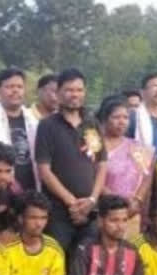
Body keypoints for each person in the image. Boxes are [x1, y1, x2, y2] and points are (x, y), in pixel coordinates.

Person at [36, 68, 106, 251]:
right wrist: (73, 203)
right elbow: (44, 170)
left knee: (86, 265)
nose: (74, 95)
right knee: (58, 262)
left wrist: (91, 200)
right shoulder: (47, 126)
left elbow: (102, 164)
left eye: (79, 90)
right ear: (58, 93)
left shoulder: (92, 124)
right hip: (59, 212)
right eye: (69, 90)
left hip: (90, 211)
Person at [97, 95, 154, 238]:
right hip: (104, 211)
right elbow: (91, 176)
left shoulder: (136, 147)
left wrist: (137, 201)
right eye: (116, 117)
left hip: (131, 212)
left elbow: (147, 176)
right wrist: (117, 200)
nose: (121, 122)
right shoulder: (95, 145)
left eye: (125, 118)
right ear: (105, 119)